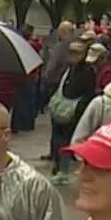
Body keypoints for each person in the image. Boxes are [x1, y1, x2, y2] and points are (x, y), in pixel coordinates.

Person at [47, 38, 97, 174]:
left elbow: (88, 93)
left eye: (77, 52)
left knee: (67, 142)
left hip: (75, 111)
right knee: (59, 140)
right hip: (62, 109)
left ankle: (62, 169)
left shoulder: (88, 71)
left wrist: (80, 109)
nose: (74, 55)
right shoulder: (68, 69)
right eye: (72, 52)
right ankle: (58, 165)